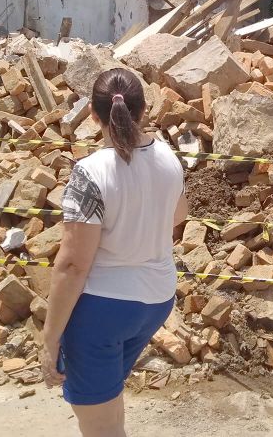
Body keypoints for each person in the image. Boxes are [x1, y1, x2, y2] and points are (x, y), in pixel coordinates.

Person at [41, 68, 187, 437]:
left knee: (100, 426)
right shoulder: (169, 157)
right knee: (110, 407)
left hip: (103, 310)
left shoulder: (90, 173)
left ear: (93, 113)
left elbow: (73, 264)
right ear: (142, 109)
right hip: (156, 299)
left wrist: (49, 338)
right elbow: (179, 214)